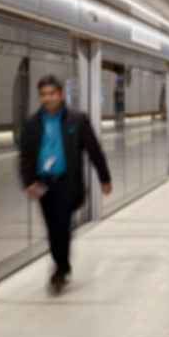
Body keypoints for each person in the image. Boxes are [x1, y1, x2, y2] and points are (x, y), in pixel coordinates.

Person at [18, 73, 112, 294]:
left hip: (67, 183)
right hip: (43, 184)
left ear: (60, 94)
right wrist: (28, 181)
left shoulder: (77, 120)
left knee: (62, 225)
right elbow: (25, 156)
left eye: (51, 94)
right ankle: (61, 264)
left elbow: (94, 150)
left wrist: (104, 178)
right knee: (52, 229)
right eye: (43, 95)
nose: (47, 98)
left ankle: (60, 269)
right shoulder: (32, 124)